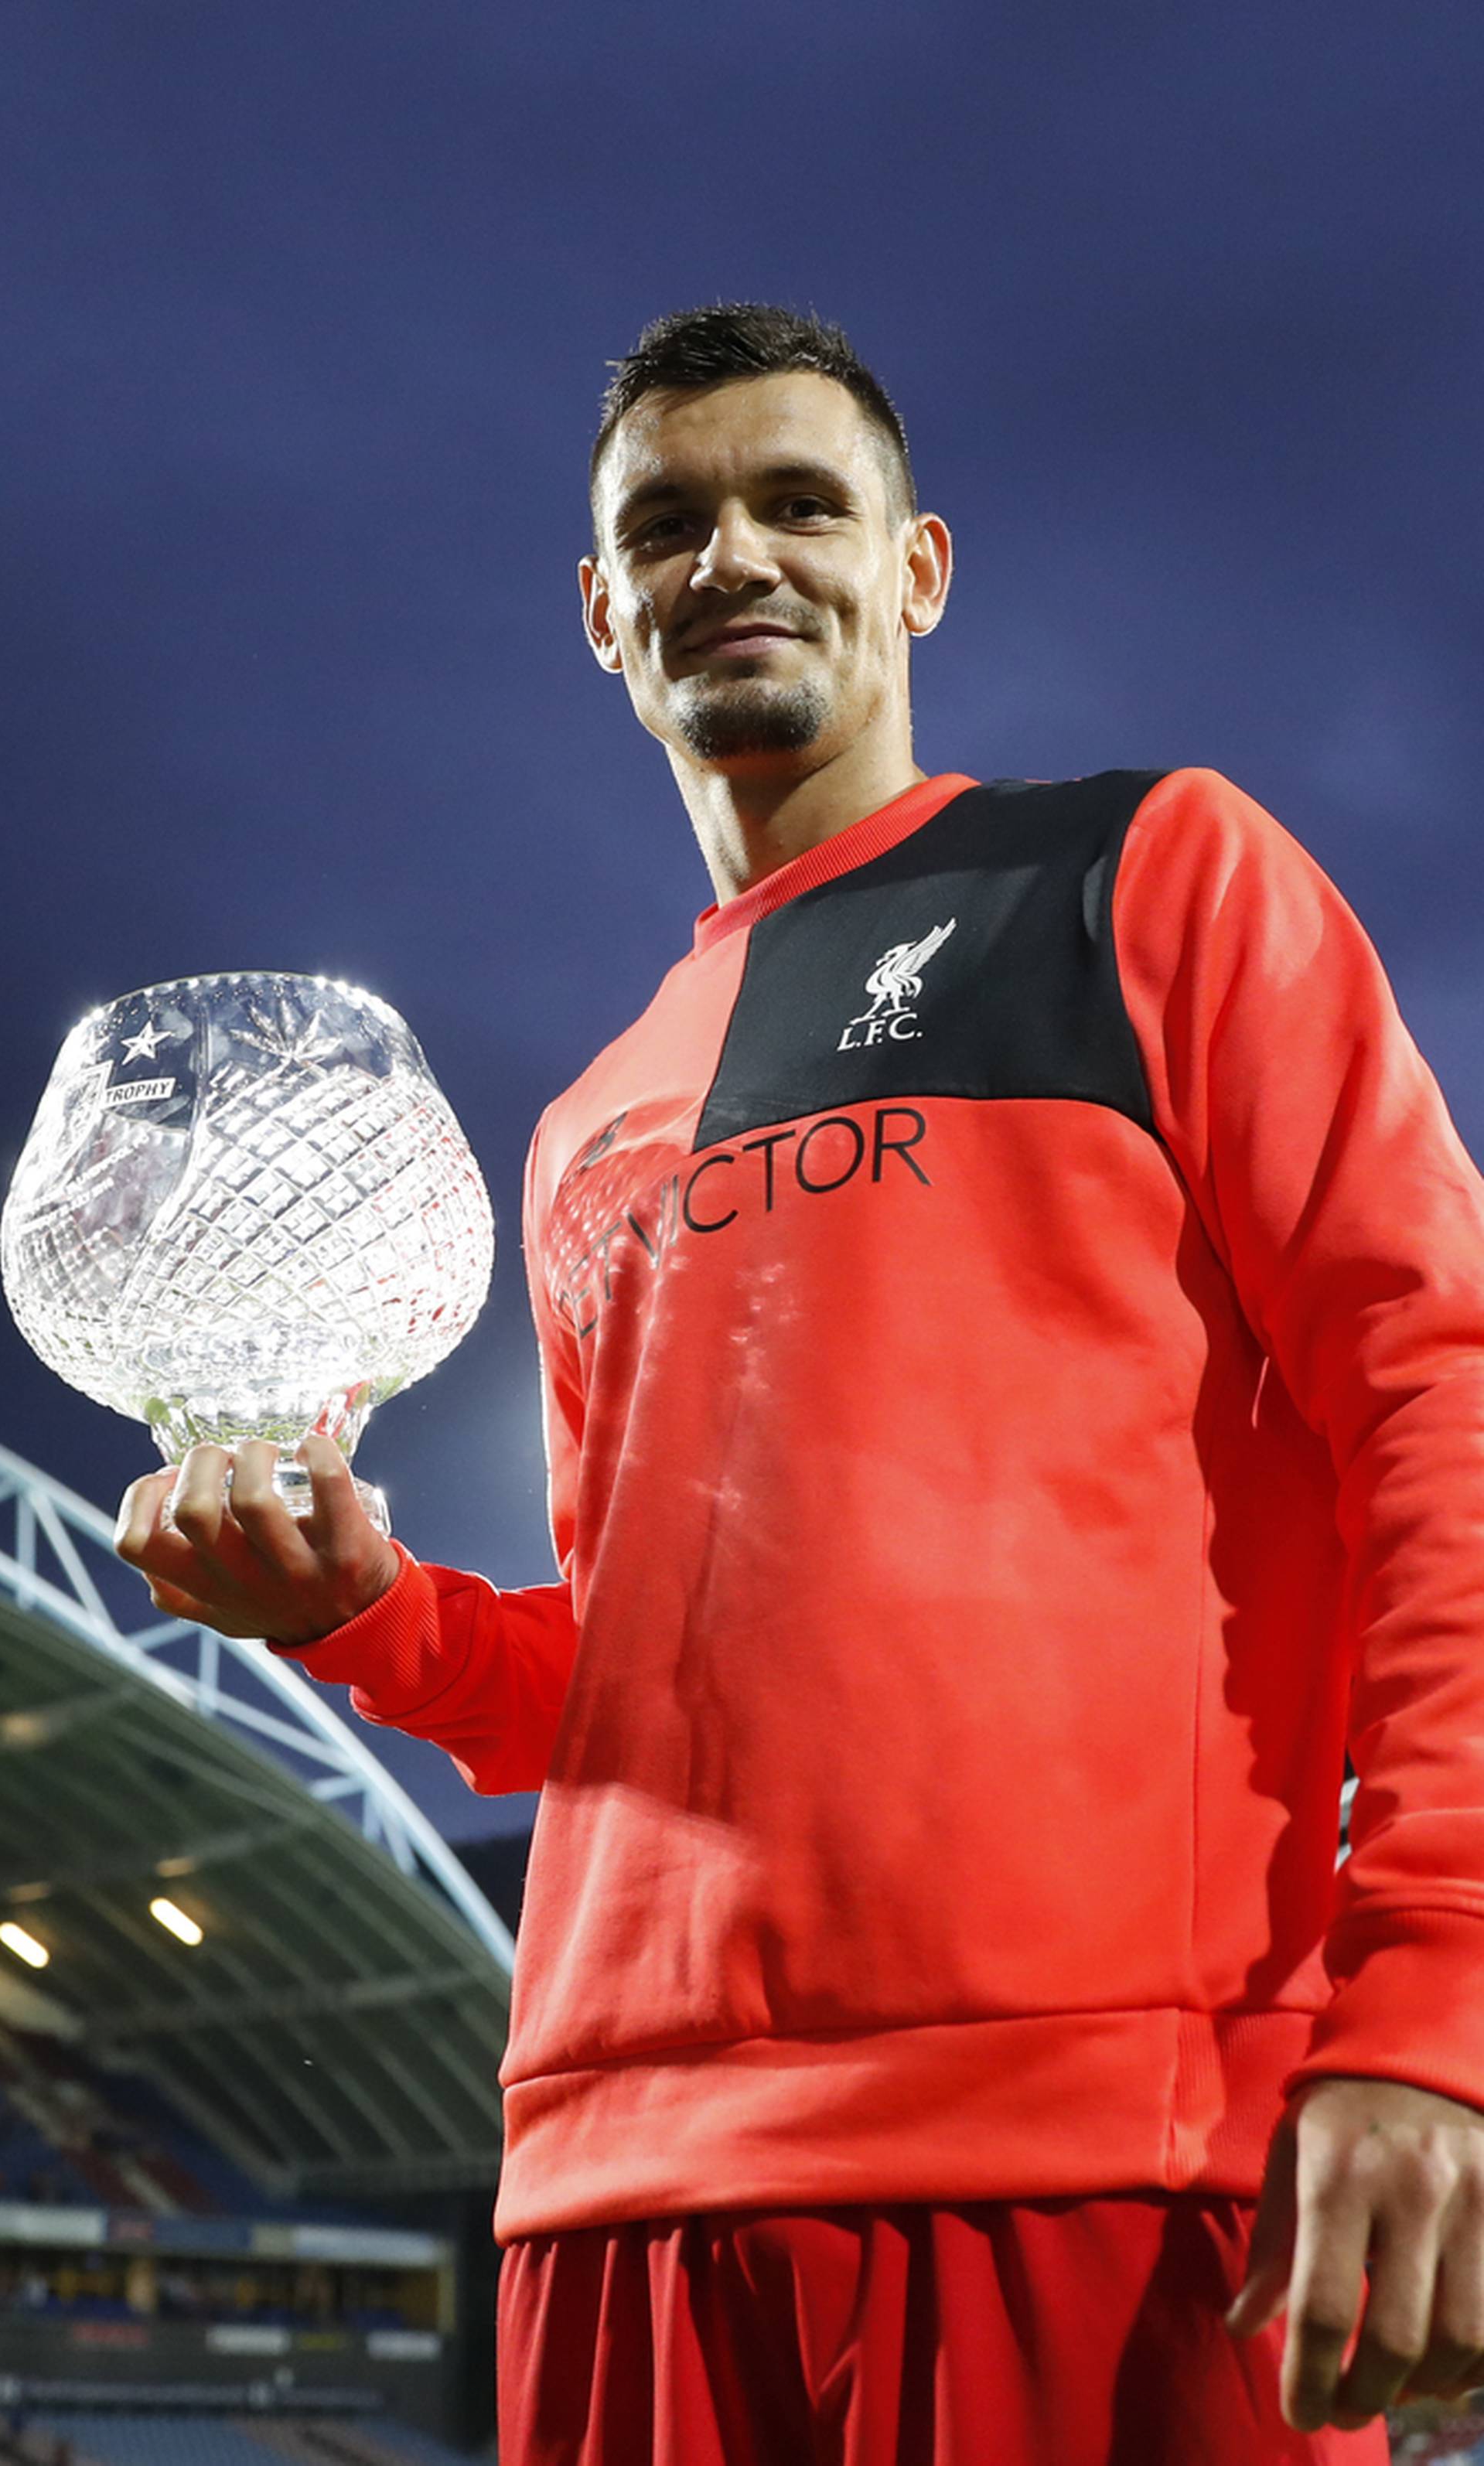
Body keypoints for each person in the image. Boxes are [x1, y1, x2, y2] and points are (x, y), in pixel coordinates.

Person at [114, 303, 1484, 2465]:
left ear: (916, 567)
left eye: (796, 501)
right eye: (668, 521)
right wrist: (360, 1617)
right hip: (617, 2194)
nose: (730, 554)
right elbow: (644, 1682)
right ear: (601, 611)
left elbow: (1440, 1406)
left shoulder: (1148, 879)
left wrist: (1437, 2000)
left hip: (1089, 2157)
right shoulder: (587, 1129)